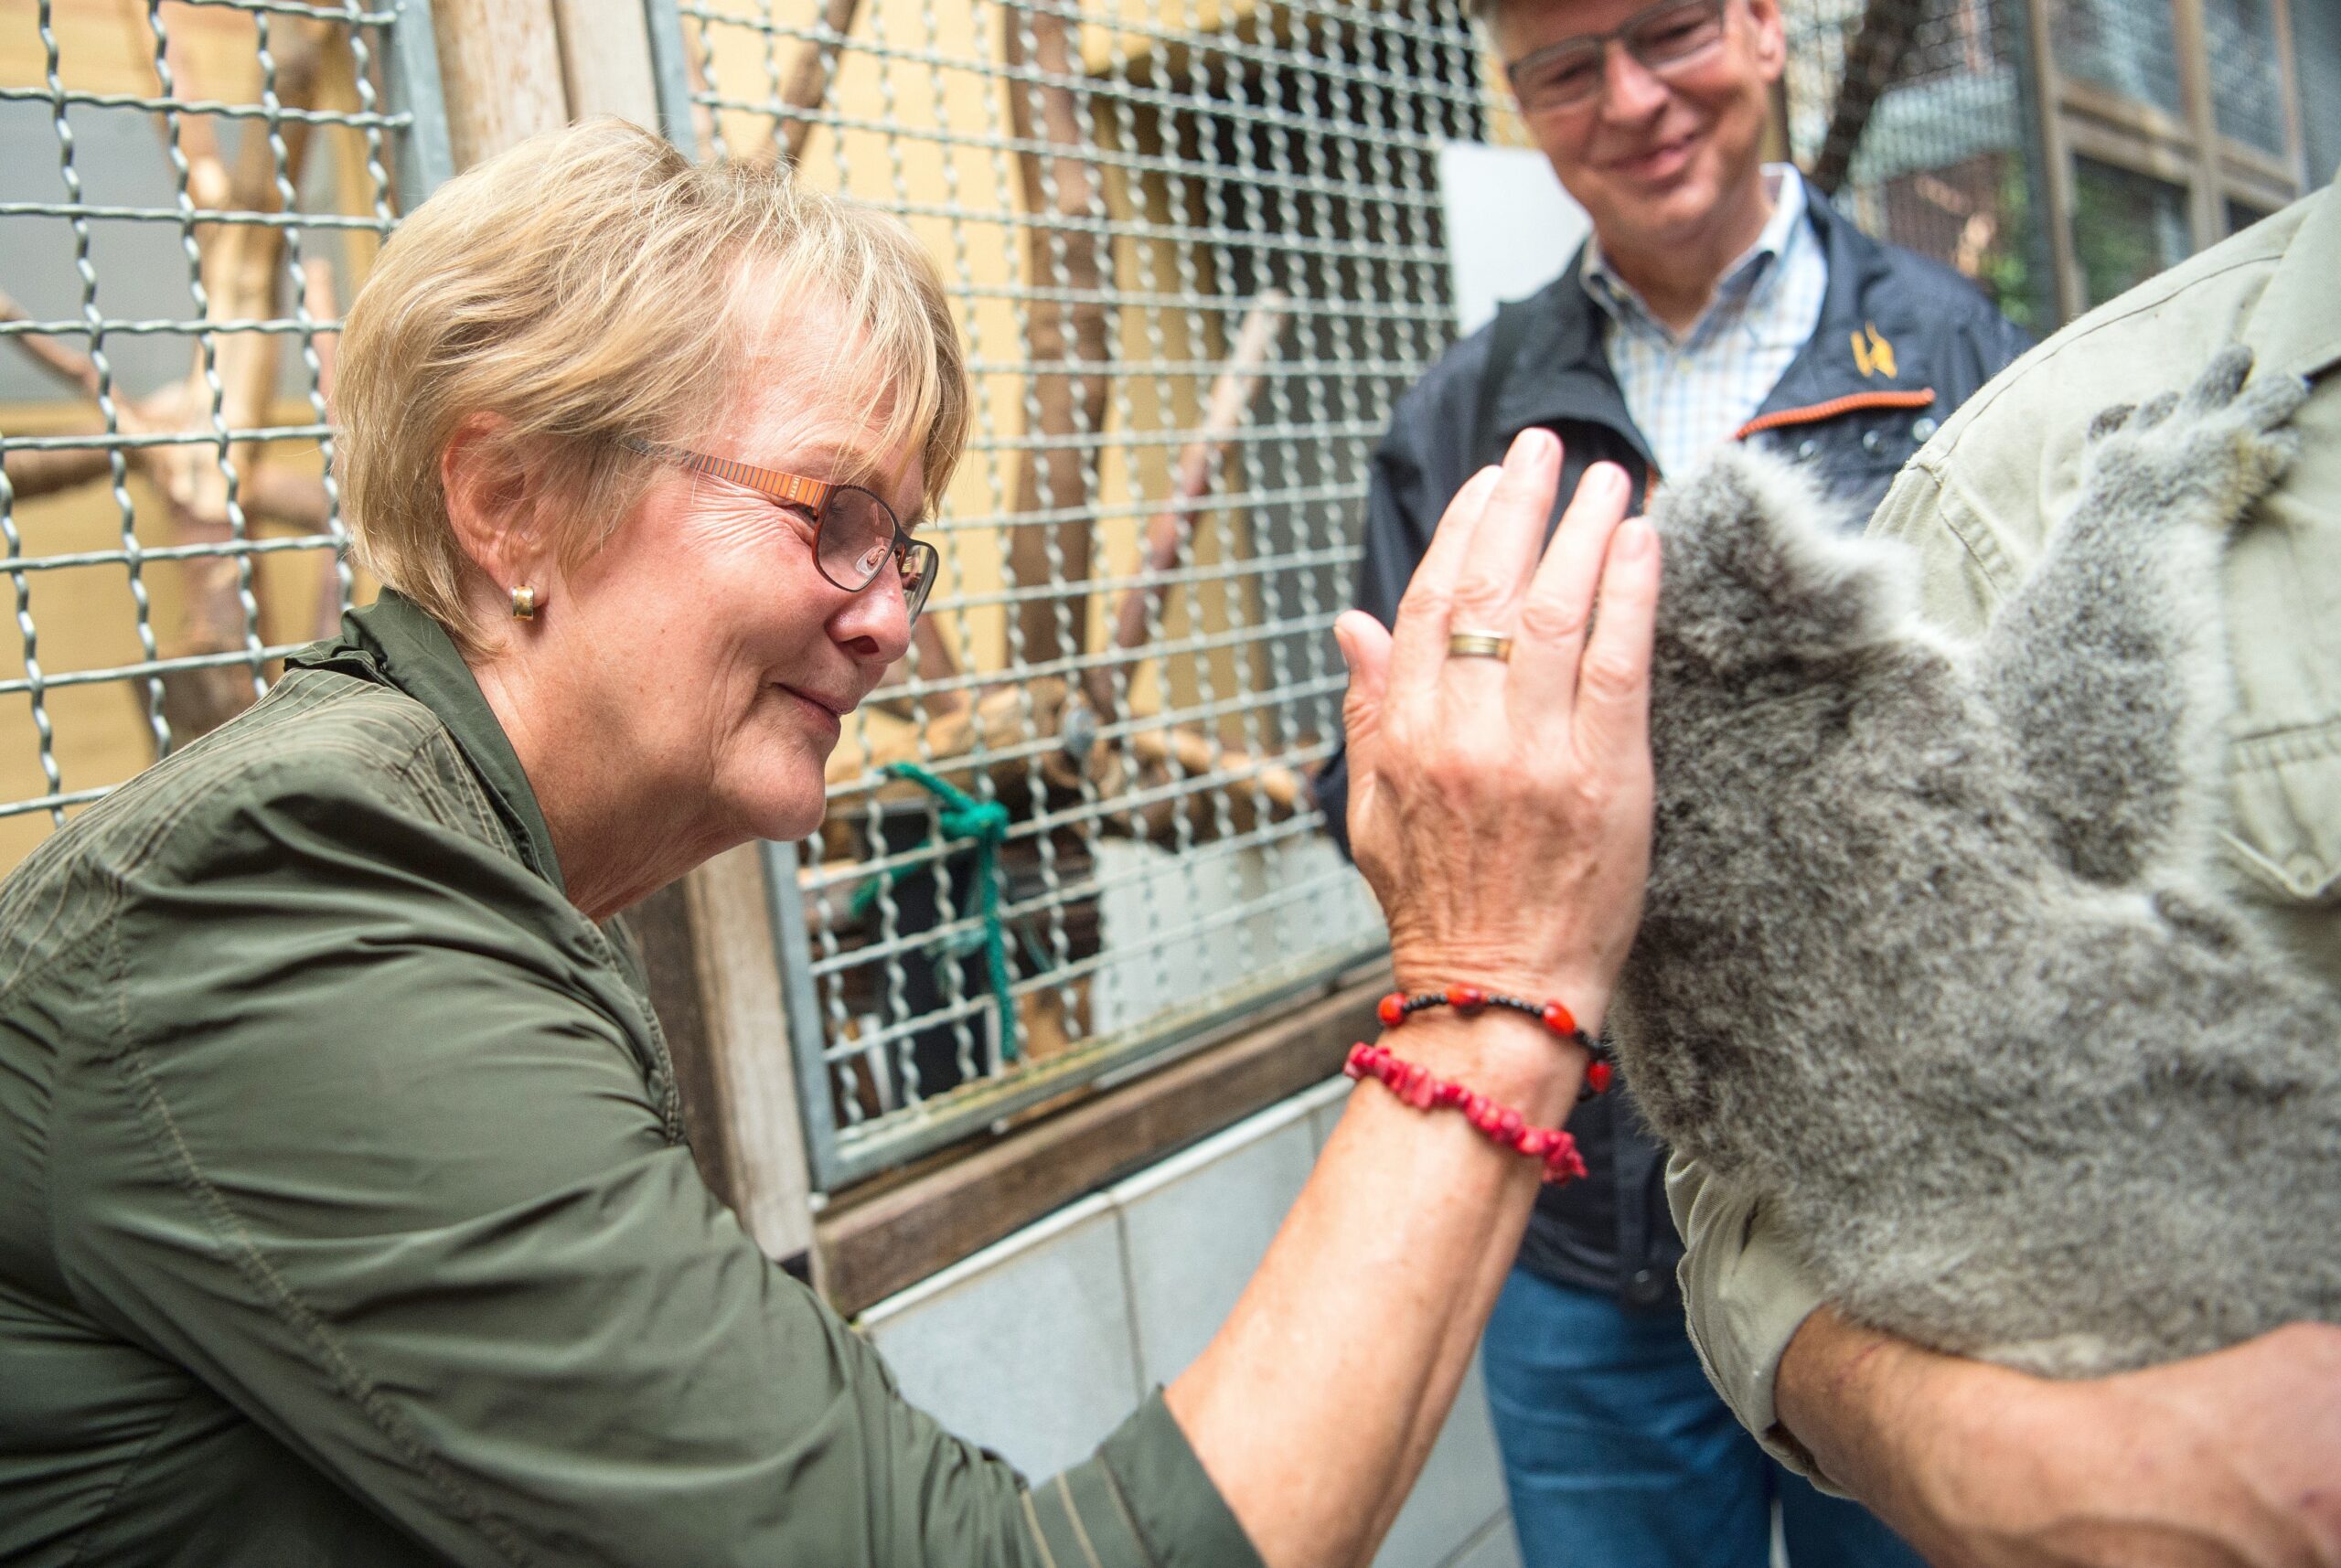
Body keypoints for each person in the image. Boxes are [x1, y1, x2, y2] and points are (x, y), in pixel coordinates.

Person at [0, 120, 1664, 1568]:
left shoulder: (465, 869)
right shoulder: (299, 891)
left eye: (907, 550)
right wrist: (1493, 979)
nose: (890, 626)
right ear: (509, 502)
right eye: (831, 518)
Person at [1313, 0, 2026, 1561]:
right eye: (1566, 66)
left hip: (1898, 1210)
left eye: (1672, 31)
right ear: (1521, 99)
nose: (1631, 98)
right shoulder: (1461, 415)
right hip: (1583, 1233)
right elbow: (1370, 783)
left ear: (1767, 29)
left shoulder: (1965, 355)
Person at [1671, 173, 2341, 1566]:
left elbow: (2043, 801)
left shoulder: (1947, 335)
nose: (1633, 99)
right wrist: (1988, 1460)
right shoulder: (2012, 460)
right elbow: (2055, 795)